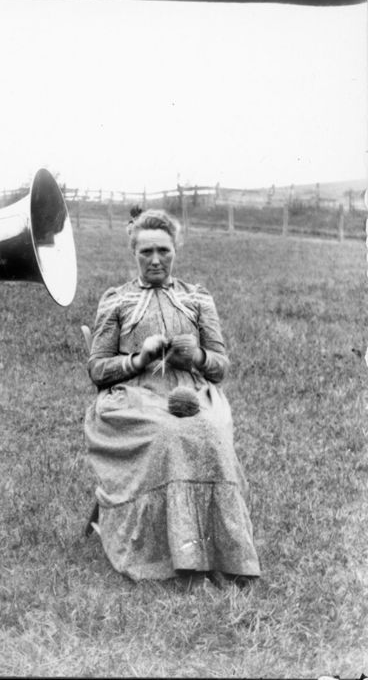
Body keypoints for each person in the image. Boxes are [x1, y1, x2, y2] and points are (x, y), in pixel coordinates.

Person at [83, 208, 260, 586]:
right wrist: (140, 357)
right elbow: (97, 369)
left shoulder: (197, 299)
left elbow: (220, 366)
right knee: (169, 436)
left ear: (175, 250)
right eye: (145, 252)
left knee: (209, 433)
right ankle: (167, 554)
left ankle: (222, 553)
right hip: (133, 395)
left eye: (163, 250)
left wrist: (194, 356)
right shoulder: (116, 301)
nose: (155, 260)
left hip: (192, 392)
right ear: (134, 253)